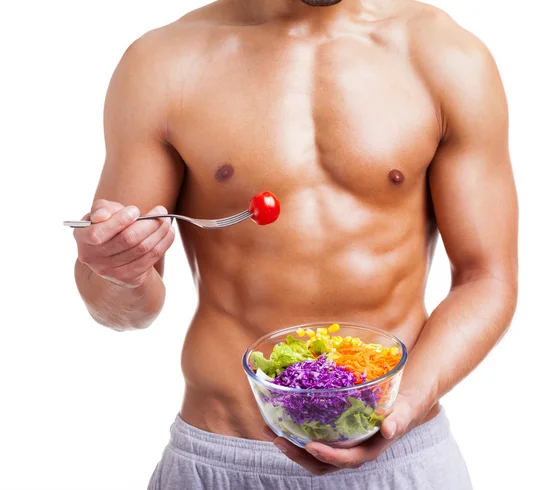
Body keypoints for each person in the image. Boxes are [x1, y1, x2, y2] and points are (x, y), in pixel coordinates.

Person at [71, 0, 518, 488]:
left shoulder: (446, 56)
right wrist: (120, 270)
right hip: (221, 456)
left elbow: (486, 278)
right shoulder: (164, 63)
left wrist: (402, 406)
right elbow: (125, 308)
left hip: (400, 452)